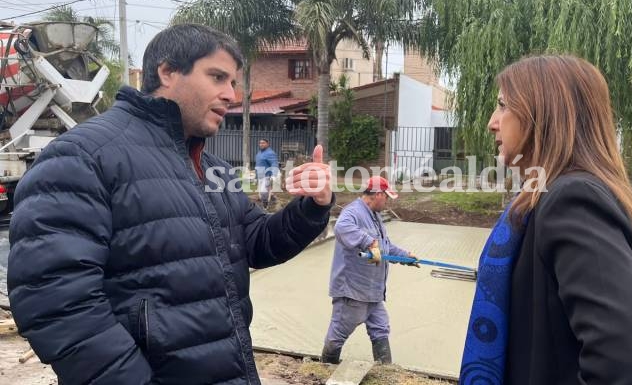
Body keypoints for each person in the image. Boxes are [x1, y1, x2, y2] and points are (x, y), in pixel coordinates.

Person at [6, 24, 334, 385]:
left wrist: (311, 207)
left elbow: (256, 241)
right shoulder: (84, 157)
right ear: (167, 72)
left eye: (233, 83)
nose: (230, 94)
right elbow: (55, 302)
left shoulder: (212, 169)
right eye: (217, 77)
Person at [459, 55, 632, 384]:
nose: (491, 122)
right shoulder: (545, 198)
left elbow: (631, 370)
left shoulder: (573, 201)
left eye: (502, 105)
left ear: (543, 114)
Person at [321, 176, 417, 365]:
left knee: (381, 328)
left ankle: (384, 371)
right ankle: (325, 367)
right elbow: (341, 227)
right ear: (378, 194)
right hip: (353, 291)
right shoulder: (353, 212)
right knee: (339, 333)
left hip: (373, 291)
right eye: (386, 197)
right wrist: (368, 241)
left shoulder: (376, 217)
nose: (387, 201)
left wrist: (406, 257)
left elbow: (385, 246)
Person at [255, 138, 279, 209]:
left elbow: (274, 163)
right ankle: (272, 198)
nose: (261, 144)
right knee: (261, 193)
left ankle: (265, 206)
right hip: (260, 175)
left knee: (263, 191)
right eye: (260, 143)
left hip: (267, 176)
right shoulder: (259, 153)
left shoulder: (270, 153)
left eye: (263, 143)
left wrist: (274, 175)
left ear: (267, 144)